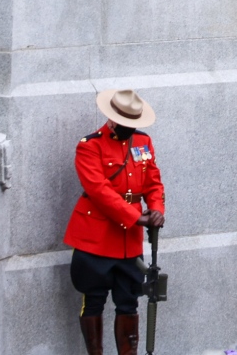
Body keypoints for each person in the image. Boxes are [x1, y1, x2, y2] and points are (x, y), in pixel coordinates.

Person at [64, 89, 165, 355]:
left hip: (129, 241)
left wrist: (155, 209)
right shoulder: (90, 145)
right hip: (95, 237)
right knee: (93, 301)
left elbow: (153, 181)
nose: (130, 129)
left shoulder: (143, 142)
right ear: (111, 120)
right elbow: (98, 191)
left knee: (128, 301)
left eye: (134, 124)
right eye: (125, 124)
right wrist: (135, 216)